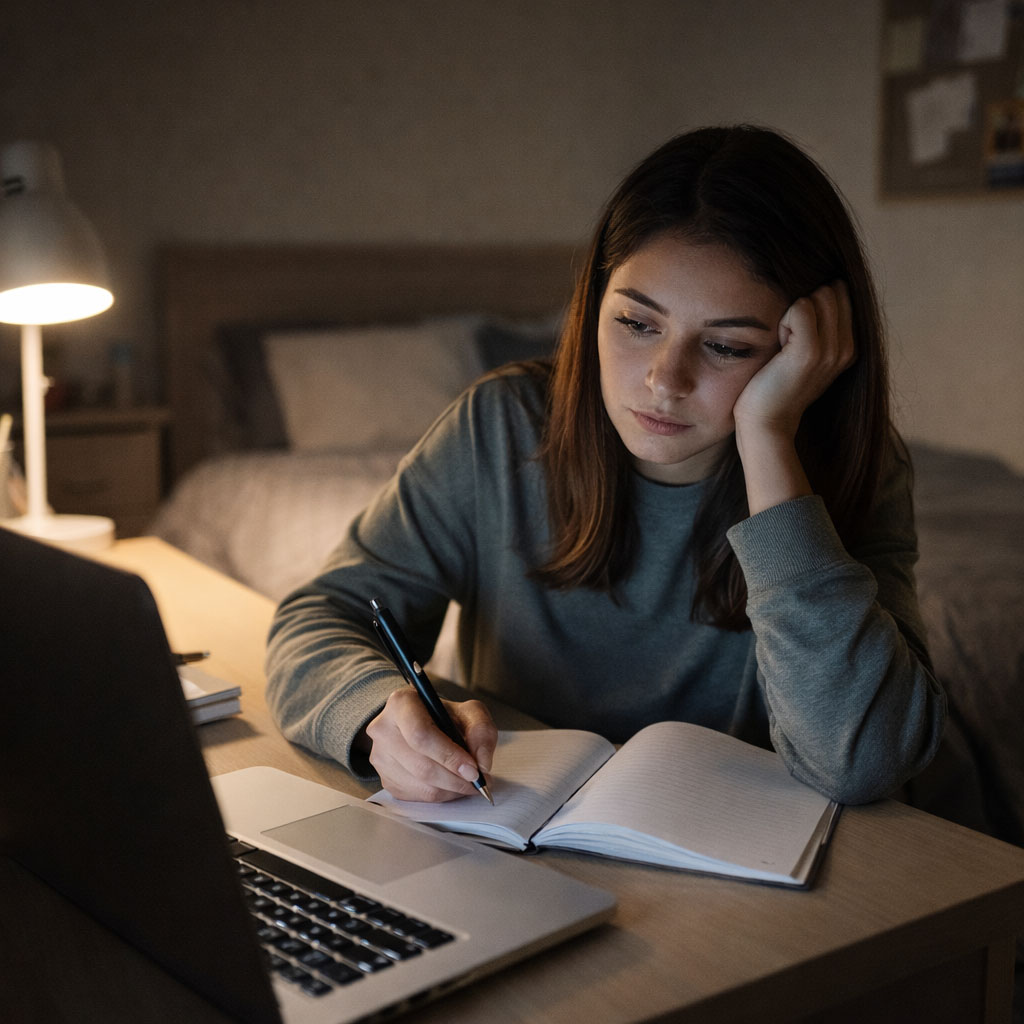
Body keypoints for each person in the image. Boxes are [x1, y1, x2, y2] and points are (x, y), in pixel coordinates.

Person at [265, 124, 949, 810]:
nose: (664, 380)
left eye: (727, 347)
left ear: (806, 352)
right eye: (636, 324)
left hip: (741, 858)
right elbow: (321, 618)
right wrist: (376, 716)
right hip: (511, 835)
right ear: (593, 305)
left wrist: (769, 439)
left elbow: (863, 761)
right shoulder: (498, 428)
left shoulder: (852, 465)